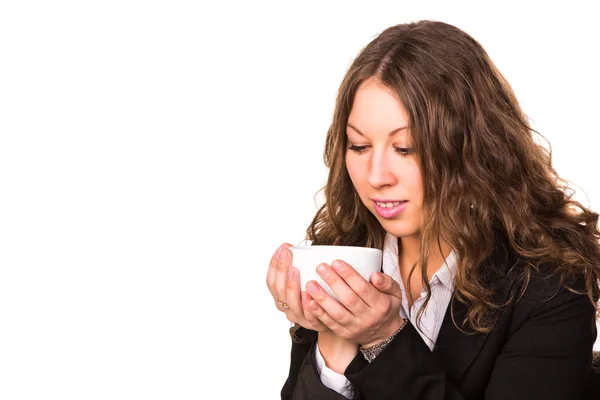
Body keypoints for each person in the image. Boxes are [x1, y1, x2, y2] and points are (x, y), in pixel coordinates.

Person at [265, 20, 600, 399]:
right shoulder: (342, 259)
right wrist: (334, 335)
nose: (376, 176)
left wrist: (383, 339)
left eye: (405, 148)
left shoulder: (549, 284)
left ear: (474, 149)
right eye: (358, 146)